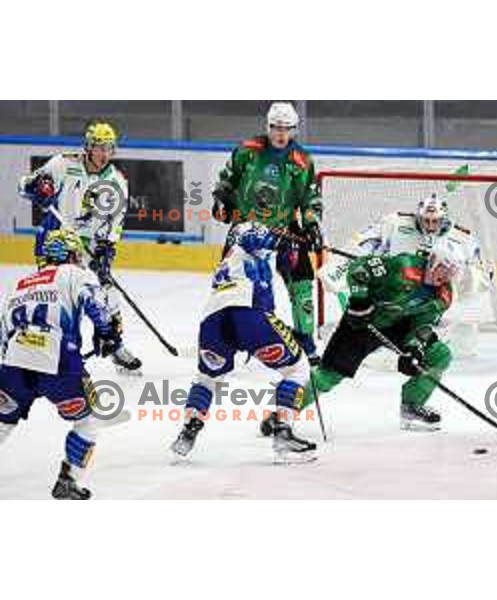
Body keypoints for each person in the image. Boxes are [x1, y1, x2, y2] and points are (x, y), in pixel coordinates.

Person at [262, 239, 463, 435]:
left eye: (452, 273)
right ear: (434, 260)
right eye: (445, 269)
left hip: (398, 325)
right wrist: (359, 301)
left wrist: (413, 347)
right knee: (327, 376)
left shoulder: (443, 296)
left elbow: (423, 325)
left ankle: (412, 406)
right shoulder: (403, 266)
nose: (446, 277)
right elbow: (360, 268)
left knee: (439, 354)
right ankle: (282, 415)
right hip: (362, 320)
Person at [170, 222, 317, 463]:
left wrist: (286, 332)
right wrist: (294, 241)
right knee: (297, 368)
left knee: (206, 380)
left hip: (212, 323)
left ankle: (187, 434)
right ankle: (283, 434)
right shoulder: (245, 241)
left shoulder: (231, 261)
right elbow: (254, 237)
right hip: (248, 317)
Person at [0, 228, 122, 499]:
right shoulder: (74, 273)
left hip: (13, 362)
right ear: (70, 254)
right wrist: (108, 334)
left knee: (3, 422)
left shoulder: (20, 283)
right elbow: (95, 303)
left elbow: (3, 332)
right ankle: (69, 478)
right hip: (58, 361)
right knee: (88, 420)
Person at [18, 122, 141, 371]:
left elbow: (115, 222)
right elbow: (25, 185)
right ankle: (47, 348)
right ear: (88, 146)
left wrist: (106, 250)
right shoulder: (62, 164)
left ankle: (114, 345)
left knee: (108, 294)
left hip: (89, 245)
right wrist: (37, 189)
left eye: (109, 148)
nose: (104, 154)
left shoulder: (117, 181)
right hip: (56, 240)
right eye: (99, 147)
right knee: (57, 294)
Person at [211, 102, 323, 364]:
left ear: (294, 129)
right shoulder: (248, 151)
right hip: (246, 230)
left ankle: (304, 337)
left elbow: (310, 197)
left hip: (283, 228)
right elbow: (227, 179)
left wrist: (311, 223)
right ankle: (228, 337)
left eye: (286, 128)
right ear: (268, 127)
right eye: (275, 127)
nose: (280, 134)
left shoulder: (302, 161)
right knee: (230, 283)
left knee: (303, 281)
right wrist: (222, 199)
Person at [320, 194, 494, 357]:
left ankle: (415, 337)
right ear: (417, 216)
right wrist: (341, 265)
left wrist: (467, 277)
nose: (430, 225)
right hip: (393, 284)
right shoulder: (395, 223)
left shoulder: (463, 239)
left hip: (432, 293)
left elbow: (481, 273)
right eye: (426, 220)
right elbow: (364, 241)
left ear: (444, 220)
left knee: (426, 314)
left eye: (435, 221)